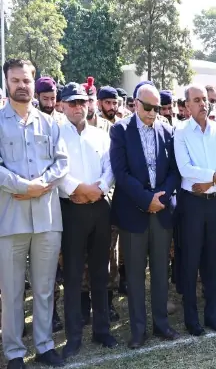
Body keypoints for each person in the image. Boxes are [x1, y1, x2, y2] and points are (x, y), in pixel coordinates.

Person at [0, 59, 70, 368]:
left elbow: (62, 161)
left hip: (46, 218)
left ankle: (44, 346)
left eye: (26, 80)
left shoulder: (51, 122)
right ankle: (14, 352)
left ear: (34, 81)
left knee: (44, 288)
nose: (21, 85)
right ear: (6, 82)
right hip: (10, 218)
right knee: (12, 291)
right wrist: (22, 185)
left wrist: (40, 184)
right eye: (15, 80)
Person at [110, 82, 181, 349]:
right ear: (135, 103)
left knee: (161, 272)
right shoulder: (120, 130)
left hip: (161, 211)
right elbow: (121, 172)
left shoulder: (167, 130)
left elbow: (174, 170)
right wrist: (145, 199)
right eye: (148, 107)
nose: (153, 113)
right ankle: (138, 331)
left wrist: (159, 198)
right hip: (134, 213)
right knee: (136, 275)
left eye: (157, 108)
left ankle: (162, 325)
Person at [58, 82, 118, 358]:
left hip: (99, 207)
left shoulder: (100, 135)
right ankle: (73, 336)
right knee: (72, 275)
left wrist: (99, 189)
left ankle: (102, 330)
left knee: (100, 272)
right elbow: (57, 171)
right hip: (71, 209)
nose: (77, 107)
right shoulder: (56, 135)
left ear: (88, 104)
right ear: (62, 105)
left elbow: (110, 168)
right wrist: (79, 190)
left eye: (81, 102)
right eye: (72, 102)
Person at [173, 85, 216, 336]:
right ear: (187, 106)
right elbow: (185, 169)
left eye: (204, 100)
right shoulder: (181, 132)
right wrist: (215, 176)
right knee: (190, 261)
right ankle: (191, 319)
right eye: (196, 100)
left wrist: (211, 181)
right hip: (192, 204)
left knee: (213, 260)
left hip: (215, 201)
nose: (203, 104)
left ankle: (212, 315)